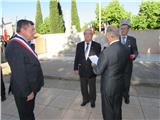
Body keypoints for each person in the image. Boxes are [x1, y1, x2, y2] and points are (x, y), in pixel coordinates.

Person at [5, 19, 44, 120]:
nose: (34, 32)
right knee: (26, 116)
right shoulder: (14, 46)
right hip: (24, 91)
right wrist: (27, 92)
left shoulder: (24, 43)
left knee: (29, 113)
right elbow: (19, 73)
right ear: (22, 30)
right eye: (32, 30)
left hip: (30, 88)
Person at [92, 26, 130, 120]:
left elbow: (98, 71)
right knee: (117, 108)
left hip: (108, 86)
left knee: (108, 110)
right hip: (120, 84)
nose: (106, 38)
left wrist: (94, 65)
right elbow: (126, 69)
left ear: (110, 36)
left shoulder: (106, 52)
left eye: (106, 36)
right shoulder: (126, 49)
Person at [74, 28, 101, 108]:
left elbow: (100, 58)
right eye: (86, 34)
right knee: (83, 87)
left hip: (92, 70)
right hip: (82, 70)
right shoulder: (79, 45)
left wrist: (97, 64)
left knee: (92, 87)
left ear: (92, 35)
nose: (87, 35)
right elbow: (77, 57)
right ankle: (85, 99)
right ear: (84, 35)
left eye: (89, 34)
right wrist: (75, 68)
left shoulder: (97, 45)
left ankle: (92, 100)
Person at [120, 19, 138, 104]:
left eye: (124, 28)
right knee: (118, 82)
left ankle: (126, 96)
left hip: (128, 65)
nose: (123, 30)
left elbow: (135, 51)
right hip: (118, 66)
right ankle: (119, 96)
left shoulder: (132, 39)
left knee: (126, 82)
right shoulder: (117, 39)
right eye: (122, 28)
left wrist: (134, 55)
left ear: (128, 30)